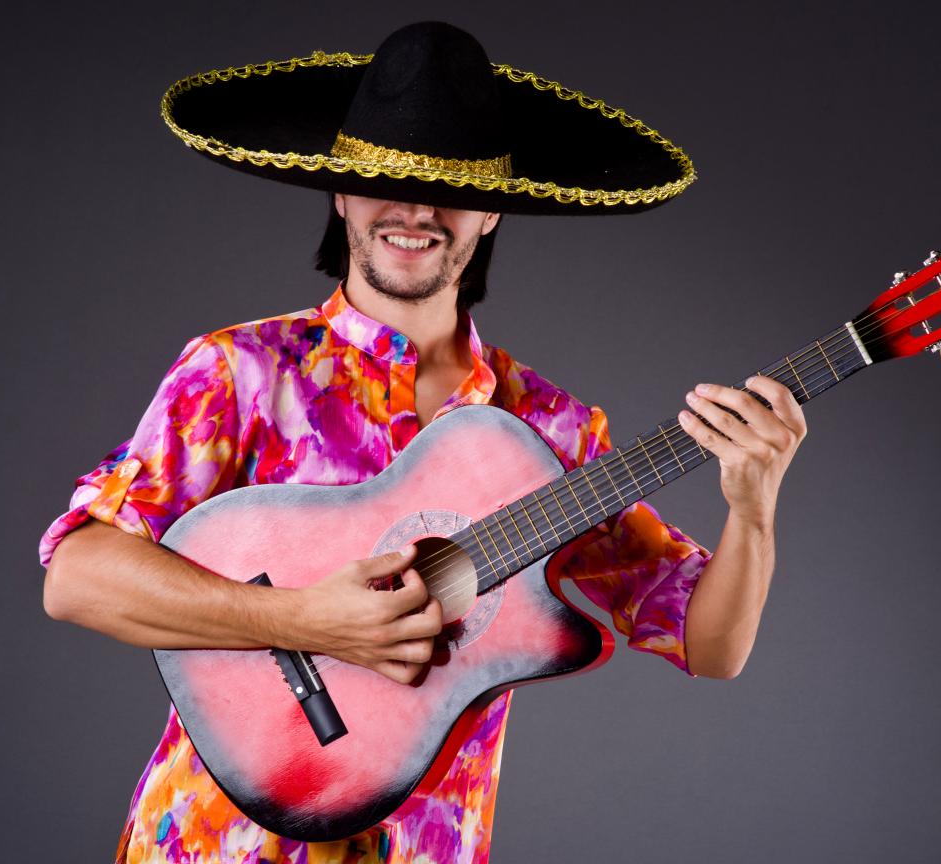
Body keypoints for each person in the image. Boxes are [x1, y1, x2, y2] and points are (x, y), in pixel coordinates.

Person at [40, 21, 807, 864]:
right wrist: (302, 619)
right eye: (386, 181)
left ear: (493, 210)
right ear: (340, 193)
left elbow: (710, 643)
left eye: (450, 188)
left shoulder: (552, 430)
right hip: (217, 846)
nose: (416, 211)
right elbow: (77, 579)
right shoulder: (242, 372)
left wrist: (754, 507)